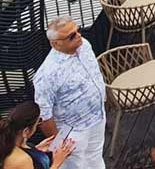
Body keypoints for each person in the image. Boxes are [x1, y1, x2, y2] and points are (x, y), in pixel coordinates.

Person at [32, 18, 106, 169]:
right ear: (56, 43)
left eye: (78, 31)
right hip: (73, 131)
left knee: (96, 157)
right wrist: (59, 142)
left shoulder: (84, 45)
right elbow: (44, 115)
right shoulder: (47, 74)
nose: (78, 36)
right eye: (72, 36)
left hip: (97, 118)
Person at [0, 101, 75, 169]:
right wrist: (57, 162)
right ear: (26, 131)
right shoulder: (22, 160)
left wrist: (35, 150)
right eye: (37, 123)